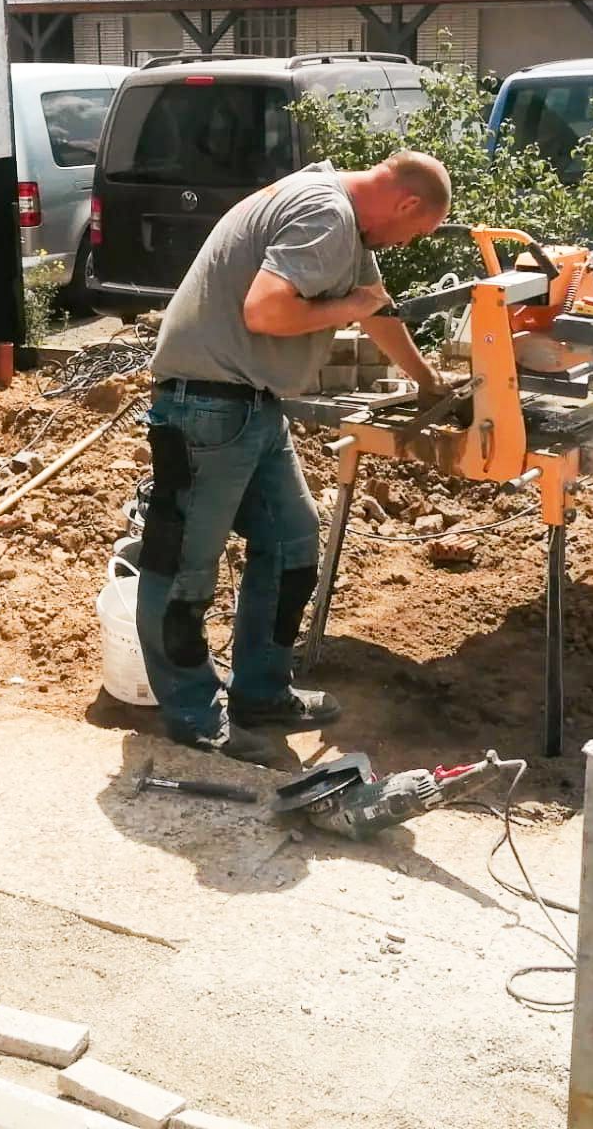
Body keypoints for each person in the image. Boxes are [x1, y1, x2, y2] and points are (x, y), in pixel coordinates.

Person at [135, 151, 451, 762]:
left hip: (250, 404)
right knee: (183, 566)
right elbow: (266, 310)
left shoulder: (341, 216)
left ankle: (261, 693)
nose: (408, 243)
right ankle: (195, 714)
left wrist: (429, 382)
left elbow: (376, 307)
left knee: (291, 541)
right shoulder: (327, 213)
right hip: (207, 405)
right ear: (406, 202)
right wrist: (345, 310)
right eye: (416, 231)